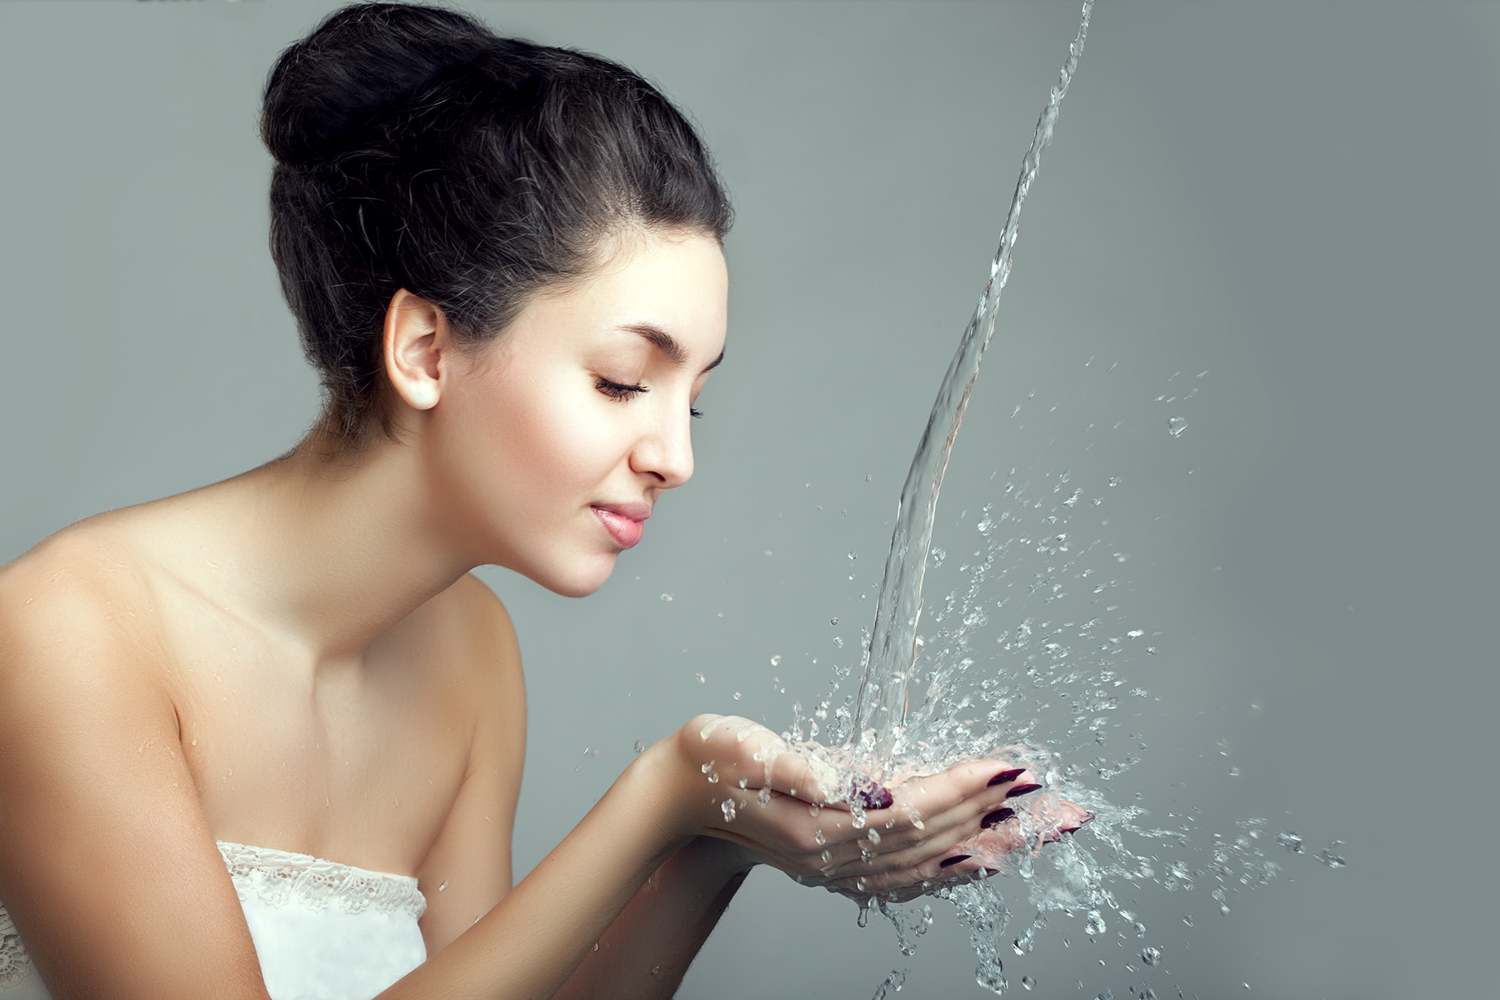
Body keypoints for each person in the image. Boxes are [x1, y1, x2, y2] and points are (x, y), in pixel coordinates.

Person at [0, 5, 1089, 999]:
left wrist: (717, 828)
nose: (674, 457)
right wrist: (652, 797)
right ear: (425, 348)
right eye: (623, 380)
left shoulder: (467, 651)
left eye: (692, 404)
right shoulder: (66, 635)